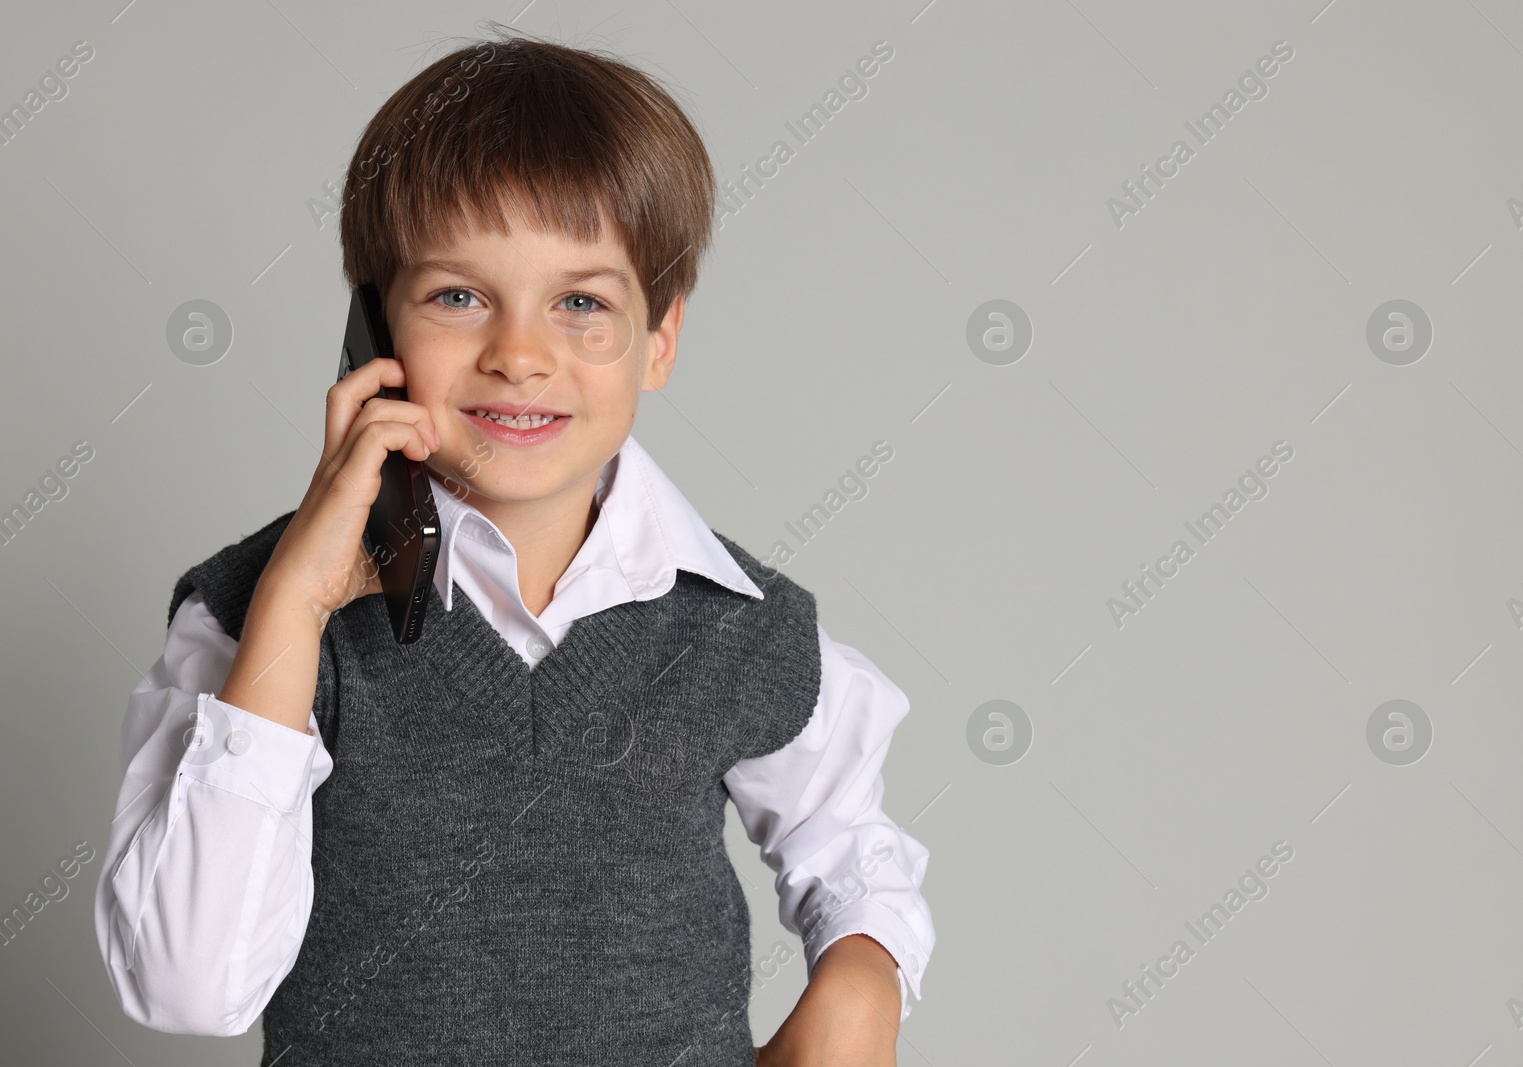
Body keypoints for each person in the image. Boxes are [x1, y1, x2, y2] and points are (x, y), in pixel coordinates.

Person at [92, 27, 934, 1067]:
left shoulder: (740, 627)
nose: (520, 355)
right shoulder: (250, 616)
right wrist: (295, 606)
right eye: (458, 296)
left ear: (659, 338)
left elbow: (851, 848)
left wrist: (861, 977)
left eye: (581, 303)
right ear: (371, 327)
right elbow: (189, 987)